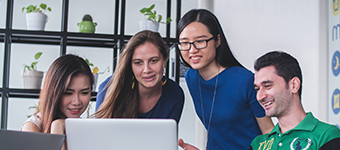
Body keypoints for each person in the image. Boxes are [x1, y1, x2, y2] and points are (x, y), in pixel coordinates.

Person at [177, 9, 274, 150]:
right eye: (185, 43)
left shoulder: (244, 80)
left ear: (217, 40)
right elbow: (218, 130)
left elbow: (268, 132)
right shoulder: (191, 77)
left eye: (200, 41)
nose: (192, 50)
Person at [250, 51, 340, 150]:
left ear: (294, 85)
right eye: (257, 89)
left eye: (267, 86)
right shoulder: (258, 144)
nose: (260, 96)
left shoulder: (326, 136)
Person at [94, 30, 184, 123]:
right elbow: (100, 134)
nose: (147, 70)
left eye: (153, 61)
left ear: (165, 59)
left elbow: (168, 136)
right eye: (138, 63)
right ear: (130, 65)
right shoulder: (108, 88)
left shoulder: (175, 94)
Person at [21, 54, 94, 150]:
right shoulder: (31, 128)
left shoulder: (83, 128)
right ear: (54, 93)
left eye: (84, 93)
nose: (76, 102)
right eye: (68, 93)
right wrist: (57, 128)